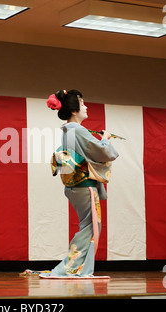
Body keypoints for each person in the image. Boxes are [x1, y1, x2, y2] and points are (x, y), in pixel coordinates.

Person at [40, 89, 119, 278]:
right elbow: (103, 152)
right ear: (74, 109)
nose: (86, 107)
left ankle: (79, 269)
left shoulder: (68, 129)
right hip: (84, 185)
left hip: (76, 186)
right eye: (83, 104)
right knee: (91, 226)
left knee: (90, 226)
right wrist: (105, 139)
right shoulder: (77, 129)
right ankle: (69, 269)